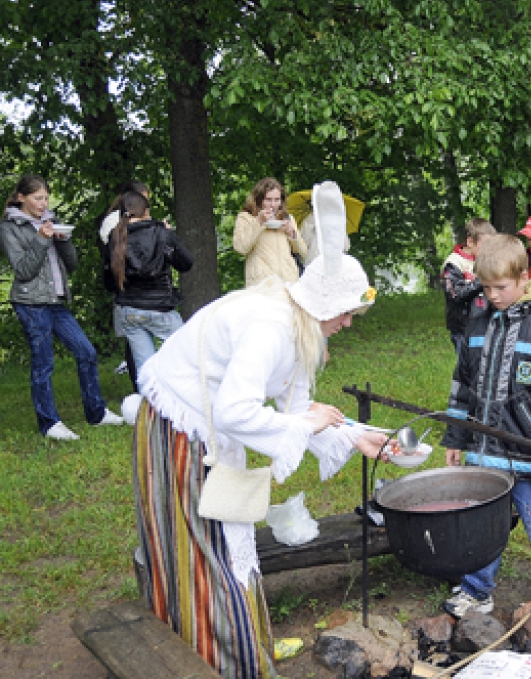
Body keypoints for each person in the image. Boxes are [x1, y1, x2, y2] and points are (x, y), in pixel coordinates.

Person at [133, 248, 390, 678]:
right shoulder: (270, 327)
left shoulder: (300, 325)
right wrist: (306, 425)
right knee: (206, 546)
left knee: (232, 544)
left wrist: (355, 435)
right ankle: (217, 660)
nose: (348, 322)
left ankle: (246, 644)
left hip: (212, 423)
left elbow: (298, 406)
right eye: (345, 313)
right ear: (323, 304)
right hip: (181, 423)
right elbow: (238, 412)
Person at [441, 234, 531, 617]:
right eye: (486, 288)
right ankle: (477, 589)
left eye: (501, 287)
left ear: (523, 277)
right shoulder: (476, 325)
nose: (493, 295)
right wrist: (456, 434)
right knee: (480, 523)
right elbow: (462, 384)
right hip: (483, 453)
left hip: (529, 456)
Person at [0, 175, 124, 440]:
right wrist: (42, 239)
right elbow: (23, 270)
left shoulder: (50, 220)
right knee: (43, 363)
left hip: (56, 301)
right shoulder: (10, 228)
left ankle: (97, 413)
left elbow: (71, 265)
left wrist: (62, 239)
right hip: (31, 303)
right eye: (37, 198)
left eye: (46, 198)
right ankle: (49, 424)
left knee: (86, 352)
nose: (43, 203)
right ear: (21, 198)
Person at [103, 190, 193, 374]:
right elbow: (186, 263)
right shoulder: (161, 232)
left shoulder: (115, 237)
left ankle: (151, 400)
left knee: (146, 371)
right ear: (146, 211)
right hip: (160, 307)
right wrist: (171, 236)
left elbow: (109, 282)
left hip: (129, 311)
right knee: (188, 357)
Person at [233, 177, 307, 287]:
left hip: (288, 283)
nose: (273, 204)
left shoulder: (287, 218)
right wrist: (259, 222)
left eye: (277, 200)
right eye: (268, 199)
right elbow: (240, 247)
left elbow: (304, 252)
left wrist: (292, 234)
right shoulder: (246, 217)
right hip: (262, 284)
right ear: (259, 199)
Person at [442, 217, 496, 353]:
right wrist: (481, 280)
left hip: (485, 324)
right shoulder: (453, 264)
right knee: (467, 370)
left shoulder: (484, 260)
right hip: (463, 329)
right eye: (485, 245)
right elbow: (455, 295)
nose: (488, 250)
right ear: (470, 241)